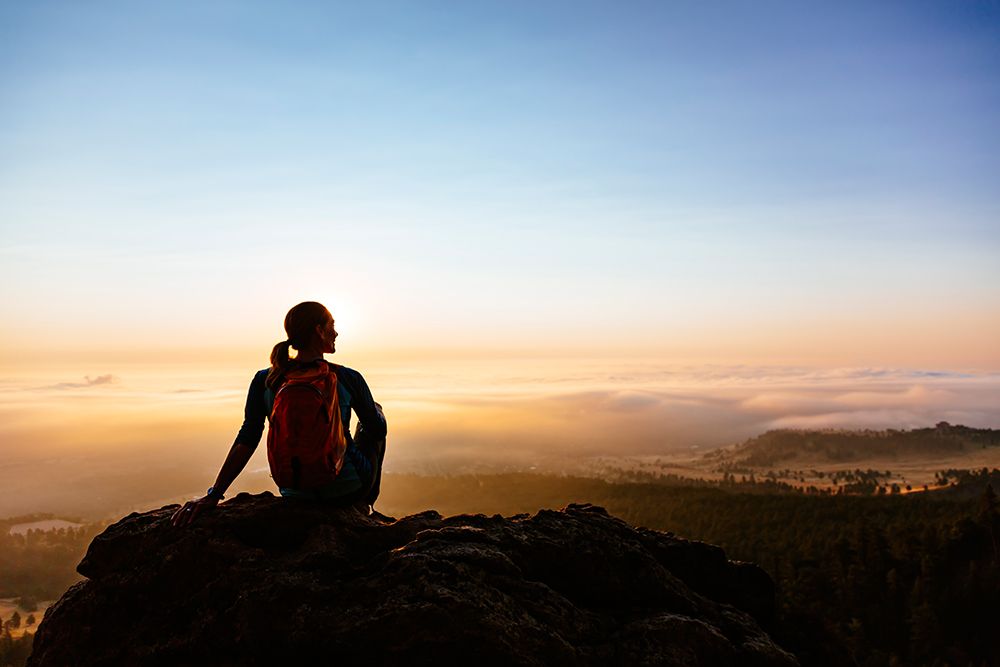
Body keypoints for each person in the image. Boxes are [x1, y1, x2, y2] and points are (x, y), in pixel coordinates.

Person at [172, 301, 387, 527]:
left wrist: (215, 494)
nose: (336, 333)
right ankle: (364, 504)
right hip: (348, 490)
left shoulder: (265, 380)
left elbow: (248, 438)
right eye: (331, 326)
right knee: (373, 417)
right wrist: (374, 409)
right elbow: (378, 430)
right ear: (319, 330)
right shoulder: (347, 378)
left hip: (294, 492)